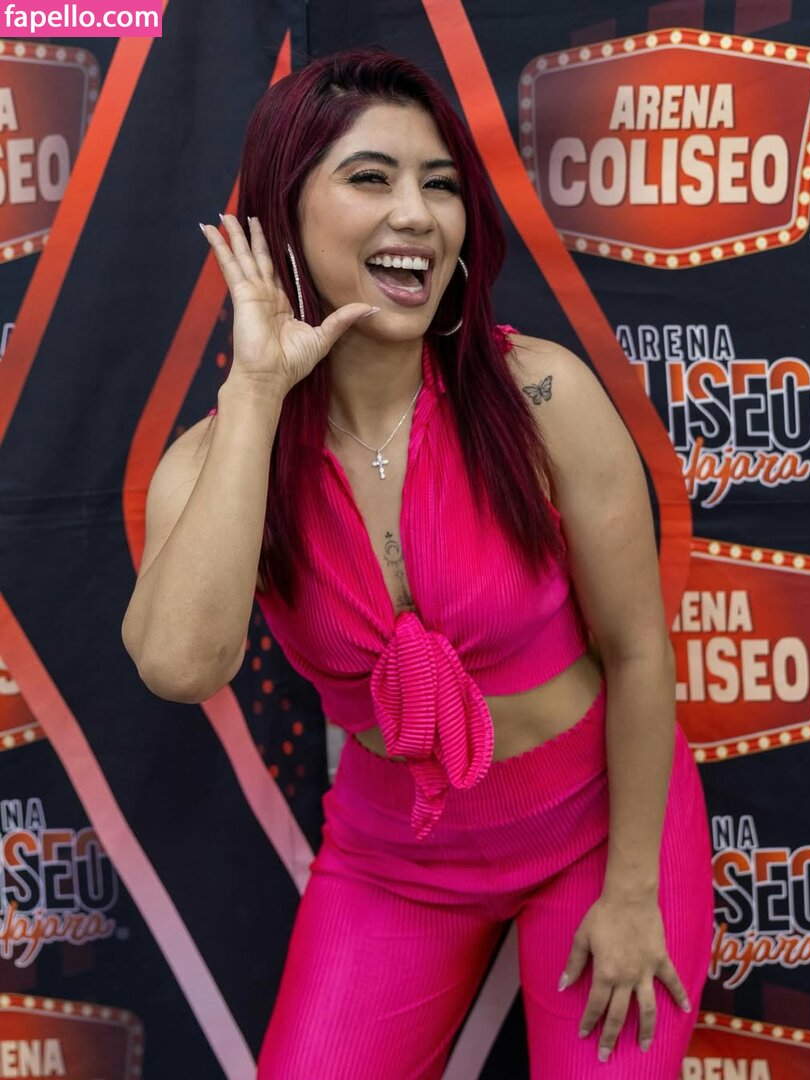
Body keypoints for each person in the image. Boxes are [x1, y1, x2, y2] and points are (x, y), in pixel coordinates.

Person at [121, 45, 713, 1080]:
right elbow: (179, 666)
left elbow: (636, 653)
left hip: (601, 831)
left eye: (439, 185)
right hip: (396, 857)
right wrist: (257, 393)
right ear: (283, 212)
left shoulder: (540, 395)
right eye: (370, 177)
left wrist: (632, 891)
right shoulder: (220, 457)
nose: (416, 216)